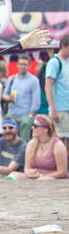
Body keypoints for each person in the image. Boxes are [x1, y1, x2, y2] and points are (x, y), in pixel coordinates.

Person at [8, 114, 68, 180]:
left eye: (35, 126)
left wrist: (42, 176)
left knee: (43, 180)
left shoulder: (58, 145)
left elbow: (62, 172)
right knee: (13, 175)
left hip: (54, 179)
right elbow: (27, 168)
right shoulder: (31, 144)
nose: (32, 128)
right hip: (36, 177)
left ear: (45, 129)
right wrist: (29, 173)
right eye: (32, 125)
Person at [2, 54, 40, 142]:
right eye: (21, 64)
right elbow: (4, 95)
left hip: (25, 115)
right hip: (12, 113)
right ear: (17, 65)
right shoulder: (12, 78)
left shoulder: (33, 80)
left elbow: (36, 101)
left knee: (23, 140)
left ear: (29, 66)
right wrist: (8, 98)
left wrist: (30, 115)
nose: (22, 66)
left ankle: (25, 154)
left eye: (25, 64)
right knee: (7, 138)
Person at [45, 34, 69, 165]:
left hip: (67, 107)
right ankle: (57, 167)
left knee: (67, 141)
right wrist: (52, 108)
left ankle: (65, 168)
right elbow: (48, 86)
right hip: (59, 108)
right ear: (63, 46)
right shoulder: (54, 62)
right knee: (58, 140)